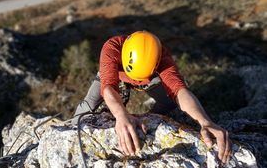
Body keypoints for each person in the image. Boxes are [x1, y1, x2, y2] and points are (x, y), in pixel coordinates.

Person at [73, 31, 232, 163]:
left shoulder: (162, 56)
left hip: (149, 78)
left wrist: (205, 122)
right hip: (116, 75)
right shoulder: (112, 46)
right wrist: (121, 115)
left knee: (170, 103)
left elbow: (180, 92)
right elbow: (108, 87)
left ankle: (149, 118)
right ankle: (72, 130)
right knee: (88, 106)